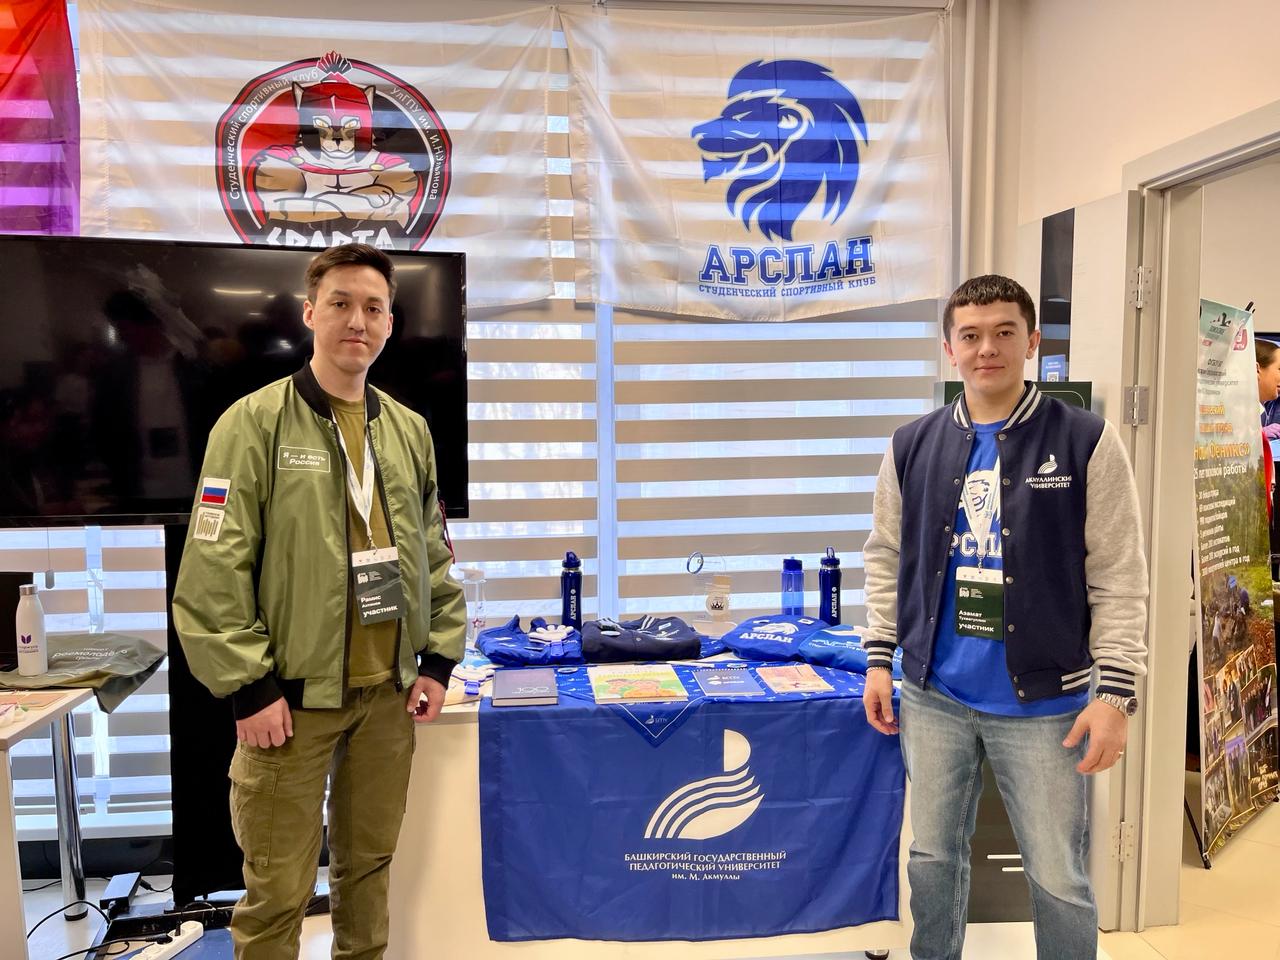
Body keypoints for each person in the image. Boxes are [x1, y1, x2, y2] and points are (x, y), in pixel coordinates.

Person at [172, 243, 465, 960]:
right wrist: (248, 685)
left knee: (368, 873)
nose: (356, 321)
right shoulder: (253, 423)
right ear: (310, 314)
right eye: (340, 303)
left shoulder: (409, 430)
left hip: (387, 698)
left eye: (373, 307)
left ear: (390, 323)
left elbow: (433, 552)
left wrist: (438, 660)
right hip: (290, 703)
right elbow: (214, 565)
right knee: (278, 891)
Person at [860, 275, 1148, 960]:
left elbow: (1119, 574)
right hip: (934, 695)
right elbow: (886, 556)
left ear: (1032, 341)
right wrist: (879, 658)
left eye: (1003, 333)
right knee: (932, 858)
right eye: (970, 335)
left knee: (1058, 875)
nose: (986, 348)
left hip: (1046, 704)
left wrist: (1116, 694)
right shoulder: (911, 444)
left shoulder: (1086, 440)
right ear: (949, 348)